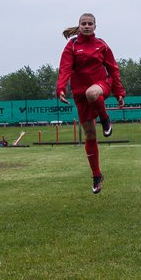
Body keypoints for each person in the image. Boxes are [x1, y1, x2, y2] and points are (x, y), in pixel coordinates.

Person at [56, 13, 125, 194]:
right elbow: (64, 68)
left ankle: (105, 119)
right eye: (83, 23)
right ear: (79, 26)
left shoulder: (101, 45)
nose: (87, 26)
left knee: (92, 93)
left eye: (90, 23)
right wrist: (61, 88)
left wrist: (119, 92)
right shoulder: (72, 46)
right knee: (89, 134)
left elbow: (113, 69)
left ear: (95, 26)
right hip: (79, 93)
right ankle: (96, 175)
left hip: (101, 86)